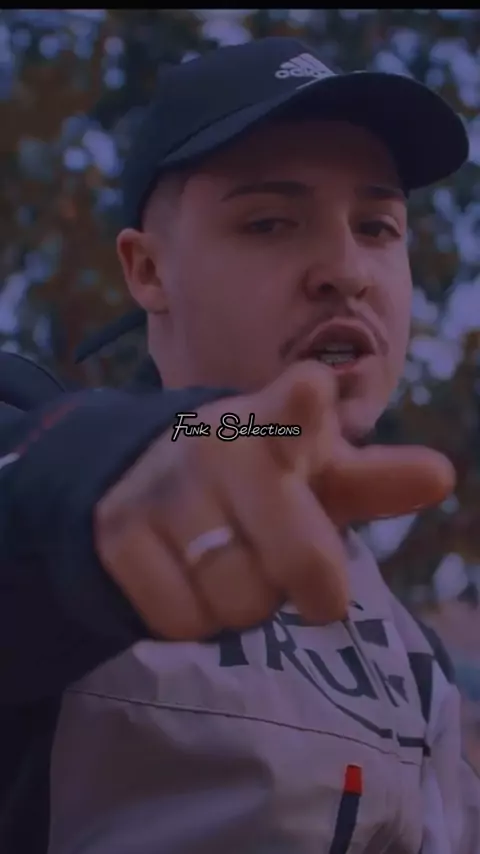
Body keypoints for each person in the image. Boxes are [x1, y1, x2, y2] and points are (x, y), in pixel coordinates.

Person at [0, 35, 478, 854]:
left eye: (378, 225)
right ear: (148, 271)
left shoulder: (413, 650)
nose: (346, 270)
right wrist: (116, 483)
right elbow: (49, 483)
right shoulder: (57, 452)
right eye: (268, 222)